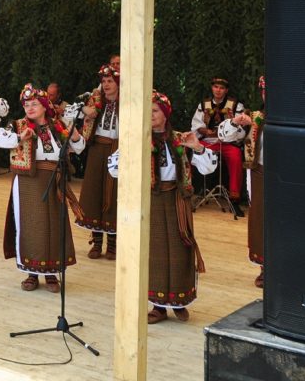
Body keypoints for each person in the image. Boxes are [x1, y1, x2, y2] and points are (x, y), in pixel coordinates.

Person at [109, 91, 217, 324]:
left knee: (180, 250)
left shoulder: (181, 138)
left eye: (155, 110)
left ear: (166, 114)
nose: (151, 115)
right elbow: (114, 169)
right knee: (155, 250)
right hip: (152, 200)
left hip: (178, 200)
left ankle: (179, 300)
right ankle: (158, 305)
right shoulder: (137, 139)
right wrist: (129, 149)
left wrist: (197, 147)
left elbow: (208, 168)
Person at [0, 84, 85, 292]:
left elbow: (79, 148)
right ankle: (32, 273)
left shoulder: (58, 126)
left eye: (35, 104)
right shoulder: (17, 125)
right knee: (30, 225)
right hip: (28, 181)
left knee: (54, 226)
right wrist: (19, 138)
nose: (30, 107)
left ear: (45, 106)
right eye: (26, 104)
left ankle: (52, 273)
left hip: (54, 179)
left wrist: (74, 135)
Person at [76, 64, 120, 259]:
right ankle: (97, 241)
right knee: (94, 191)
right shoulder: (96, 101)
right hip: (97, 148)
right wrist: (87, 109)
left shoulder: (126, 103)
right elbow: (80, 113)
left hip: (117, 149)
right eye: (104, 81)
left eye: (110, 81)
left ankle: (113, 243)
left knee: (113, 192)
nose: (106, 84)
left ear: (119, 83)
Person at [190, 77, 247, 206]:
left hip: (228, 142)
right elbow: (196, 124)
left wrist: (229, 133)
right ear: (212, 88)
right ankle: (196, 189)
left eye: (221, 88)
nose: (218, 90)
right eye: (216, 87)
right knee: (195, 152)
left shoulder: (236, 105)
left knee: (236, 157)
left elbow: (241, 128)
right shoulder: (203, 104)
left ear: (226, 90)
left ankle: (234, 198)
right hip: (209, 141)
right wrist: (204, 131)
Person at [234, 77, 266, 287]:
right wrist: (239, 123)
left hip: (285, 174)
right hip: (260, 171)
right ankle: (265, 267)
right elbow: (230, 135)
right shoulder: (255, 116)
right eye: (264, 91)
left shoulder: (290, 115)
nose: (267, 95)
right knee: (260, 218)